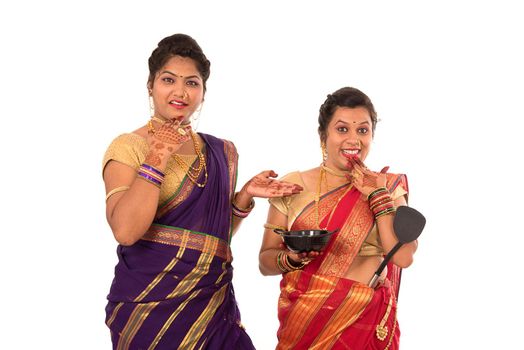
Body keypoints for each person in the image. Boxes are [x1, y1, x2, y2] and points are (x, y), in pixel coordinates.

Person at [102, 33, 302, 350]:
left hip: (213, 309)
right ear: (150, 85)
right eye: (169, 79)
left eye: (192, 83)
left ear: (203, 92)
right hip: (150, 312)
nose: (180, 91)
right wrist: (157, 157)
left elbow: (212, 239)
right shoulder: (130, 146)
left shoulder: (222, 152)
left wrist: (243, 198)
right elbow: (126, 231)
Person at [259, 87, 418, 349]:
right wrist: (291, 259)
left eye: (363, 130)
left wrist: (377, 196)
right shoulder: (293, 186)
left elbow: (403, 257)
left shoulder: (388, 187)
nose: (353, 139)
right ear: (324, 135)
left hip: (364, 321)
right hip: (306, 322)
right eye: (342, 129)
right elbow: (265, 262)